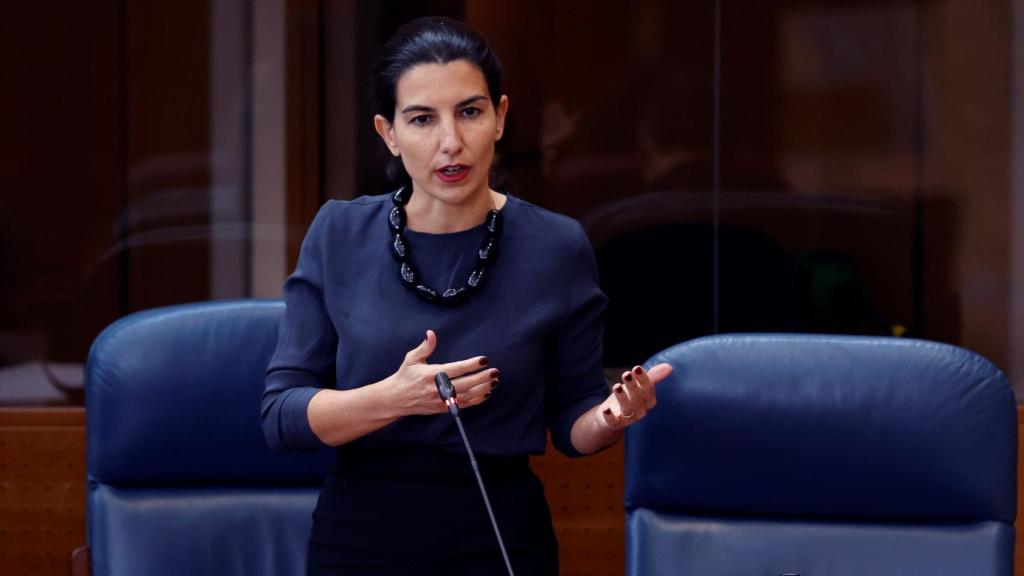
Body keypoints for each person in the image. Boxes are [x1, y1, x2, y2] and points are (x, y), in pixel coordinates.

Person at [261, 16, 673, 576]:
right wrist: (396, 397)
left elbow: (573, 423)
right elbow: (282, 415)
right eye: (422, 119)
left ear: (501, 118)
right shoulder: (339, 234)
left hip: (501, 532)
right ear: (387, 132)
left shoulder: (556, 245)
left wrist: (609, 417)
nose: (450, 142)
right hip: (360, 533)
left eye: (470, 112)